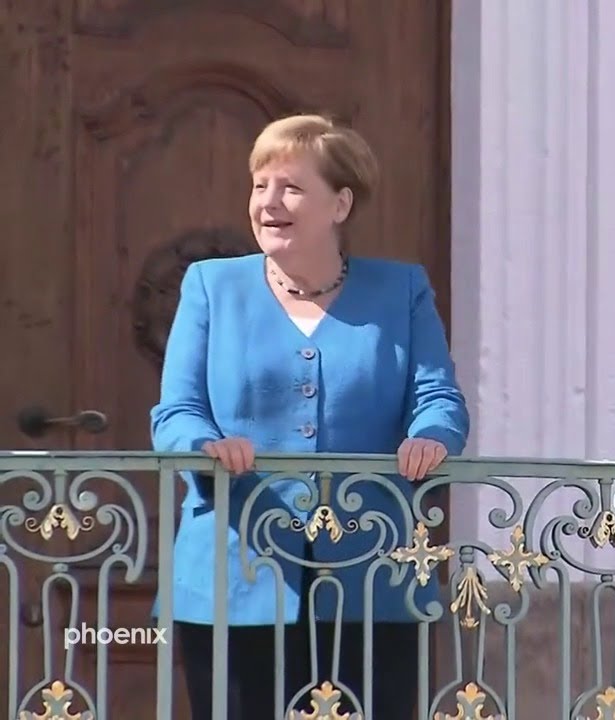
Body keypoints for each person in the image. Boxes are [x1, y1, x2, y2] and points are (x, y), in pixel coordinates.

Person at [151, 114, 470, 720]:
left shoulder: (401, 290)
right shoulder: (211, 286)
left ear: (340, 204)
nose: (268, 202)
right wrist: (204, 445)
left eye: (291, 187)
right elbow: (177, 411)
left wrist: (431, 436)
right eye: (259, 185)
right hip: (234, 569)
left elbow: (439, 398)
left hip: (373, 573)